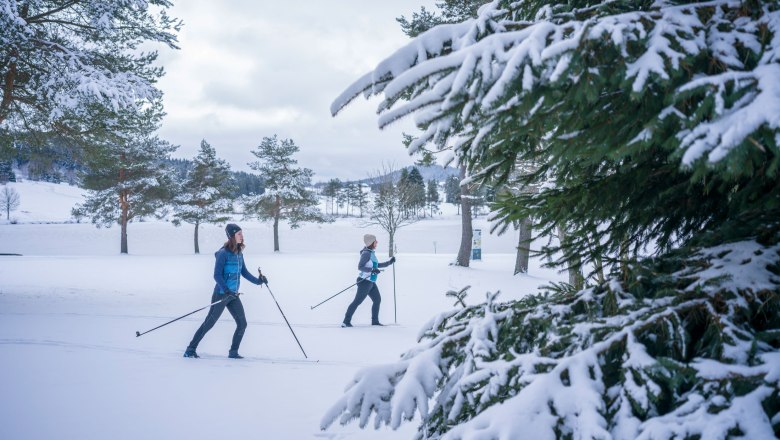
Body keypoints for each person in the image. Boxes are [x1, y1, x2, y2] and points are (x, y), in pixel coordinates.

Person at [184, 223, 268, 359]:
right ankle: (190, 349)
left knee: (242, 324)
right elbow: (216, 275)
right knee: (209, 323)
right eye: (239, 233)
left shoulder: (239, 253)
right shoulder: (223, 254)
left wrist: (259, 281)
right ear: (232, 236)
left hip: (233, 295)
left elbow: (244, 272)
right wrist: (226, 289)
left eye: (242, 233)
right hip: (221, 294)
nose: (242, 236)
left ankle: (233, 352)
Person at [342, 234, 396, 327]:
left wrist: (389, 262)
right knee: (357, 302)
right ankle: (346, 321)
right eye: (375, 241)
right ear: (371, 242)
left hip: (371, 282)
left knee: (377, 300)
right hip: (364, 282)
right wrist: (371, 270)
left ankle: (375, 322)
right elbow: (360, 267)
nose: (377, 242)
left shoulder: (371, 252)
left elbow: (376, 265)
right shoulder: (366, 253)